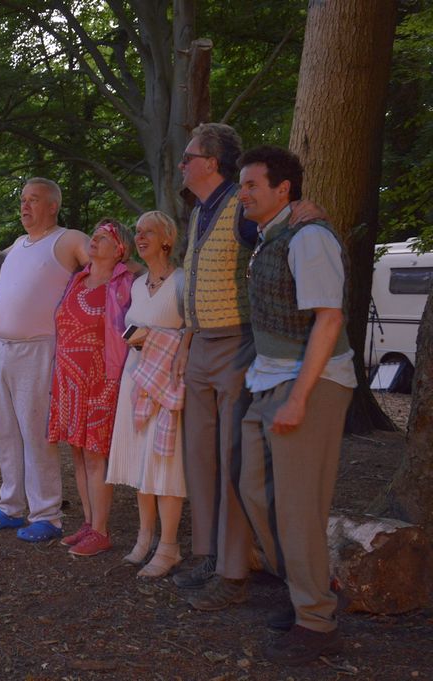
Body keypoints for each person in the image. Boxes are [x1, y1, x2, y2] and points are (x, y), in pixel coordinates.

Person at [174, 123, 326, 609]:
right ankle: (209, 555)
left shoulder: (241, 209)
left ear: (211, 162)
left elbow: (277, 230)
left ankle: (234, 572)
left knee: (232, 458)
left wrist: (306, 214)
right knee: (199, 458)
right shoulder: (199, 210)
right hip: (200, 346)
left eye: (188, 157)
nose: (182, 164)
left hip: (238, 345)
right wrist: (187, 337)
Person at [236, 146, 354, 665]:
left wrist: (299, 399)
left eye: (251, 186)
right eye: (240, 185)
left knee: (300, 505)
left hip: (311, 381)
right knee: (255, 492)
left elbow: (328, 319)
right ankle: (303, 590)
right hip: (268, 380)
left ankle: (316, 621)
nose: (242, 195)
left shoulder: (310, 238)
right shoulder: (271, 234)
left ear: (284, 190)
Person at [0, 178, 92, 542]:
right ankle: (10, 506)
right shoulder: (17, 245)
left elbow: (106, 267)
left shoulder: (68, 239)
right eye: (23, 200)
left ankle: (47, 514)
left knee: (35, 429)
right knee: (4, 429)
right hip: (1, 348)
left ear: (53, 205)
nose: (25, 206)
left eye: (34, 200)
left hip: (39, 347)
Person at [106, 211, 187, 578]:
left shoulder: (183, 282)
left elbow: (191, 332)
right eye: (137, 232)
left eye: (148, 232)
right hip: (136, 377)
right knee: (141, 458)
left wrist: (156, 337)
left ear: (167, 239)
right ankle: (144, 538)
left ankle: (169, 546)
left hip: (167, 381)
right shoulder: (138, 285)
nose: (140, 237)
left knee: (164, 461)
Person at [48, 219, 134, 556]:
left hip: (101, 379)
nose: (93, 242)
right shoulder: (78, 279)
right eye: (94, 237)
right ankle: (88, 522)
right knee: (79, 453)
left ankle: (101, 529)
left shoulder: (124, 283)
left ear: (120, 250)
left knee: (97, 454)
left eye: (102, 238)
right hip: (69, 379)